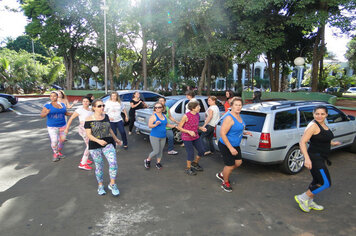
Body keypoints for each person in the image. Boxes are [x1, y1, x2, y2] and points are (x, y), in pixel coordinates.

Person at [294, 105, 341, 212]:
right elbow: (302, 142)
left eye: (322, 114)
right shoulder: (313, 126)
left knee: (317, 181)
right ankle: (302, 198)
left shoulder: (324, 124)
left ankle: (309, 202)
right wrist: (306, 159)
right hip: (314, 158)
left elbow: (323, 138)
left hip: (321, 157)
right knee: (325, 183)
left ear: (326, 115)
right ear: (313, 114)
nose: (319, 116)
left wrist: (333, 143)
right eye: (317, 114)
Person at [85, 99, 122, 196]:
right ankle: (100, 185)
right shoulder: (89, 119)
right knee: (99, 166)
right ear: (93, 108)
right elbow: (88, 134)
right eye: (99, 106)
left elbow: (109, 129)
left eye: (103, 105)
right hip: (95, 145)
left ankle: (112, 184)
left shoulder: (106, 116)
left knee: (113, 163)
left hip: (108, 143)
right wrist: (98, 141)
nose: (102, 107)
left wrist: (116, 139)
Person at [216, 97, 252, 192]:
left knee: (238, 163)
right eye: (236, 105)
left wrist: (244, 132)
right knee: (230, 165)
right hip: (226, 145)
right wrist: (230, 148)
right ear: (231, 106)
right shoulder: (229, 118)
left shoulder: (239, 116)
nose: (238, 107)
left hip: (235, 144)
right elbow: (222, 133)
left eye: (240, 105)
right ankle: (225, 182)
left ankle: (222, 174)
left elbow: (237, 128)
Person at [144, 102, 177, 170]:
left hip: (163, 136)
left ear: (162, 108)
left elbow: (166, 124)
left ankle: (158, 163)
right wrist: (155, 124)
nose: (157, 109)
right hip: (154, 136)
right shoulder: (153, 116)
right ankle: (147, 160)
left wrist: (174, 126)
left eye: (159, 107)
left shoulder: (164, 116)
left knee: (160, 150)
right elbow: (149, 125)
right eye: (156, 107)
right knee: (156, 151)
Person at [40, 91, 72, 162]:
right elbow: (41, 115)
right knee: (54, 141)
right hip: (52, 126)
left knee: (62, 140)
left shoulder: (62, 104)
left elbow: (65, 113)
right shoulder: (47, 105)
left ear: (57, 97)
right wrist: (46, 113)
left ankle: (59, 152)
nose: (52, 97)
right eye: (51, 96)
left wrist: (73, 114)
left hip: (62, 125)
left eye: (54, 96)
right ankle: (55, 153)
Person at [178, 101, 207, 176]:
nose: (200, 108)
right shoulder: (186, 116)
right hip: (186, 137)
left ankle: (195, 163)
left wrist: (200, 128)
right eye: (198, 107)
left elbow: (194, 125)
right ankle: (188, 168)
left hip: (195, 136)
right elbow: (179, 127)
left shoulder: (197, 115)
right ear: (193, 108)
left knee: (202, 150)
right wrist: (189, 131)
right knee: (190, 153)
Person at [65, 96, 93, 170]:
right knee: (90, 145)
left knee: (89, 145)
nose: (85, 103)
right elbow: (71, 119)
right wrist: (67, 128)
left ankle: (85, 159)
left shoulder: (91, 110)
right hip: (83, 128)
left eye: (87, 101)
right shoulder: (80, 110)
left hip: (90, 128)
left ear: (89, 102)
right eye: (83, 101)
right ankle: (83, 163)